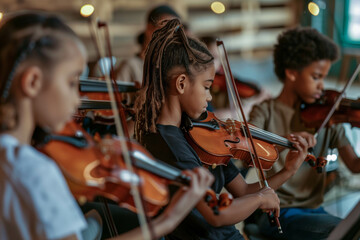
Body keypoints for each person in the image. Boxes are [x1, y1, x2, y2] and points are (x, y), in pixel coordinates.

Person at [0, 11, 215, 240]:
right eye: (72, 82)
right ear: (33, 82)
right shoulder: (34, 171)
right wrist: (168, 220)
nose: (78, 99)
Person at [134, 18, 309, 240]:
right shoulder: (169, 144)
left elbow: (244, 191)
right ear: (181, 84)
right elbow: (216, 215)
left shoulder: (200, 134)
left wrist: (288, 171)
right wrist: (260, 199)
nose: (209, 97)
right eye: (207, 87)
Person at [248, 26, 360, 240]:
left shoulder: (328, 116)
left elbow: (354, 165)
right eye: (316, 76)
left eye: (324, 77)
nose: (322, 86)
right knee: (339, 233)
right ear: (291, 72)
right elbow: (250, 149)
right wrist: (288, 143)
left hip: (314, 211)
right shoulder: (265, 111)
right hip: (276, 211)